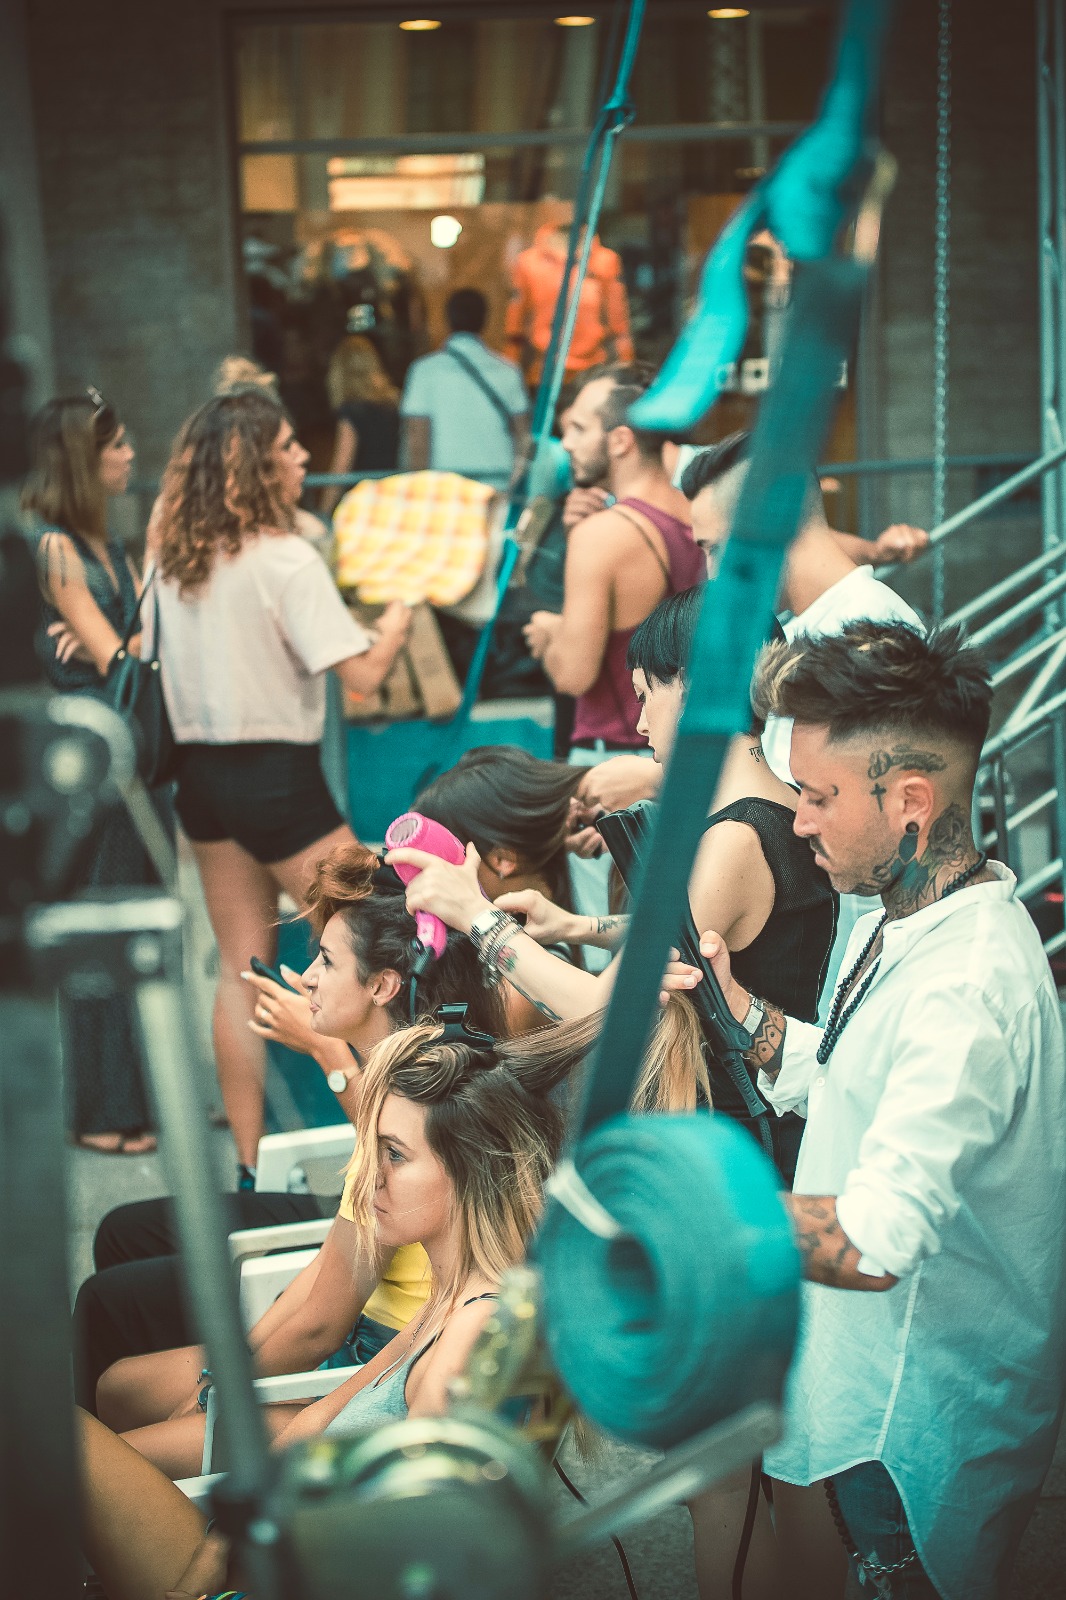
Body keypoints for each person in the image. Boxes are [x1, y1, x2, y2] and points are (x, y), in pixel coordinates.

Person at [681, 621, 1066, 1600]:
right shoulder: (904, 917)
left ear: (909, 803)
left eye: (818, 796)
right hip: (862, 1395)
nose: (798, 821)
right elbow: (842, 1074)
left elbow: (875, 1238)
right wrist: (733, 1002)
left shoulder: (965, 988)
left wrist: (691, 1219)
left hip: (913, 1432)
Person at [78, 1013, 576, 1599]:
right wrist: (215, 1548)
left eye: (394, 1155)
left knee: (51, 1435)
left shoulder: (469, 1338)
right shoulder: (451, 1294)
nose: (369, 1179)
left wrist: (220, 1575)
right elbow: (317, 1419)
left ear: (471, 1169)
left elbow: (410, 1555)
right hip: (257, 1549)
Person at [75, 841, 504, 1427]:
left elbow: (322, 1322)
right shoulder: (403, 1085)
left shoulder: (407, 1109)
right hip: (362, 1341)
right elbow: (324, 1277)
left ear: (381, 986)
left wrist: (211, 1398)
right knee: (116, 1385)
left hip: (367, 1356)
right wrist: (221, 1376)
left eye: (326, 961)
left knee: (109, 1388)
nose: (305, 979)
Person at [153, 389, 411, 1181]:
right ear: (257, 466)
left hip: (200, 780)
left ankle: (246, 1166)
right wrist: (397, 621)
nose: (305, 458)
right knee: (377, 940)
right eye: (290, 447)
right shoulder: (286, 557)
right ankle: (402, 1143)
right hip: (278, 779)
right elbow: (363, 677)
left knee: (241, 974)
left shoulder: (174, 557)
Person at [23, 389, 160, 1155]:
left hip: (135, 756)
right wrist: (126, 644)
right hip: (95, 772)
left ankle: (136, 1097)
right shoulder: (55, 548)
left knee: (136, 923)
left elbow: (137, 644)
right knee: (105, 928)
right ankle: (102, 1110)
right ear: (84, 458)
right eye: (117, 445)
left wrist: (127, 644)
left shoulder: (107, 541)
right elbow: (121, 654)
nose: (131, 455)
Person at [399, 287, 530, 486]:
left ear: (447, 319)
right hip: (498, 482)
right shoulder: (509, 372)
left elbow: (417, 436)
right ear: (485, 320)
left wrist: (417, 486)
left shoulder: (424, 371)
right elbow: (522, 434)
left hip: (445, 487)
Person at [504, 220, 633, 386]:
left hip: (592, 370)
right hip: (544, 371)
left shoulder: (605, 261)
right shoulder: (528, 261)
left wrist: (627, 372)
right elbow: (515, 327)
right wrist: (510, 378)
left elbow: (619, 324)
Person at [320, 333, 400, 516]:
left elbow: (341, 468)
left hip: (365, 503)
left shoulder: (352, 412)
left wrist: (323, 512)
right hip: (393, 497)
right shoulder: (394, 405)